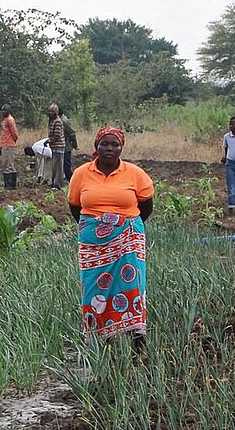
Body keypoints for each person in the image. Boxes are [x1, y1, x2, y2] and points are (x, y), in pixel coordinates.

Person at [67, 126, 154, 354]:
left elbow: (145, 207)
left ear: (121, 148)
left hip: (128, 237)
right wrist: (98, 228)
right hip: (93, 242)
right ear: (96, 147)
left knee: (131, 284)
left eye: (114, 144)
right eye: (104, 144)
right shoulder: (81, 174)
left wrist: (120, 226)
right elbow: (75, 207)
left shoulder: (135, 173)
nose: (109, 148)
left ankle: (136, 339)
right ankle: (100, 340)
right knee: (94, 287)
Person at [0, 104, 19, 189]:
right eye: (2, 111)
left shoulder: (10, 120)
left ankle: (10, 185)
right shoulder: (4, 120)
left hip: (9, 144)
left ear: (8, 111)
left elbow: (14, 133)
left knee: (9, 164)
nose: (3, 112)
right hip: (4, 144)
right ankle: (8, 184)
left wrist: (13, 141)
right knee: (5, 164)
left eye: (5, 111)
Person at [47, 104, 66, 189]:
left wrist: (49, 140)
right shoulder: (53, 121)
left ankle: (58, 185)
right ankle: (54, 182)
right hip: (55, 147)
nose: (50, 113)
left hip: (58, 147)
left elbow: (57, 135)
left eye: (52, 111)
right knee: (55, 166)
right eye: (49, 111)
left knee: (58, 167)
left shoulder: (57, 121)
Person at [61, 111, 78, 181]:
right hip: (63, 145)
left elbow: (71, 133)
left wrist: (75, 145)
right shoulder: (61, 119)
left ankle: (70, 179)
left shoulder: (64, 121)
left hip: (66, 146)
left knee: (66, 164)